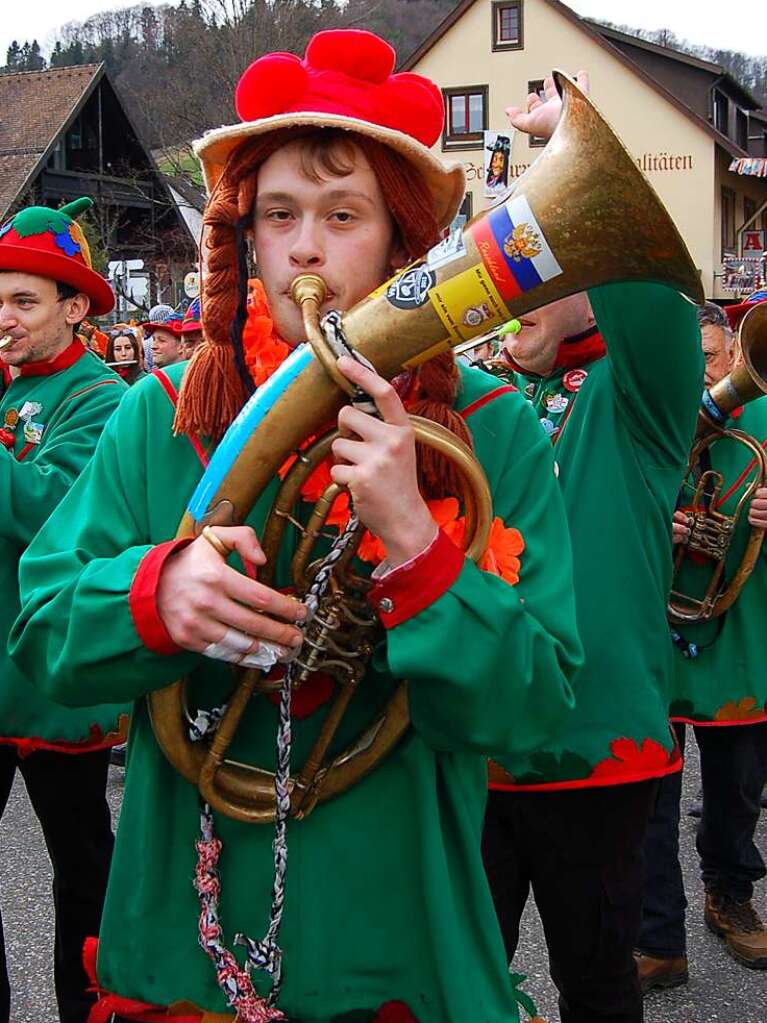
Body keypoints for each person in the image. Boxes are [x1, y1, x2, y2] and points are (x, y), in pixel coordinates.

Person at [10, 30, 582, 1023]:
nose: (306, 246)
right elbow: (43, 637)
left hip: (397, 940)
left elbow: (531, 720)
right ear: (243, 239)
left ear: (401, 243)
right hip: (182, 943)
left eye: (343, 214)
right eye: (278, 215)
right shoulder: (163, 411)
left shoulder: (489, 430)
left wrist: (415, 542)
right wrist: (156, 595)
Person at [481, 75, 703, 1023]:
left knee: (598, 985)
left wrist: (556, 154)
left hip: (598, 752)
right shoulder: (486, 402)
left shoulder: (637, 396)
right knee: (461, 977)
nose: (520, 301)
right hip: (475, 742)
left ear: (592, 300)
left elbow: (651, 286)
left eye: (552, 280)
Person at [0, 197, 128, 1023]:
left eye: (23, 301)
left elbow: (48, 510)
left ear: (75, 308)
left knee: (83, 873)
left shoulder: (105, 397)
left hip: (55, 684)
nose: (3, 318)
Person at [636, 299, 767, 991]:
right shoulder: (650, 423)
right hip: (659, 638)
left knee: (735, 790)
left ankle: (729, 892)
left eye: (711, 361)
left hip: (738, 639)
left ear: (734, 357)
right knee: (649, 793)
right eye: (686, 367)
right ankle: (657, 935)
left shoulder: (764, 421)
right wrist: (665, 522)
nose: (702, 380)